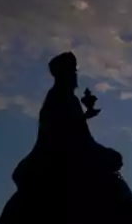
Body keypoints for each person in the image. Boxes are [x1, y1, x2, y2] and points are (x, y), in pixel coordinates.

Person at [12, 52, 126, 206]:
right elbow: (60, 125)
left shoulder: (65, 97)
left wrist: (85, 116)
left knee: (112, 158)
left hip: (74, 145)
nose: (75, 76)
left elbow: (73, 125)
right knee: (113, 159)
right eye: (72, 72)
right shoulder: (58, 96)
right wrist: (83, 118)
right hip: (62, 148)